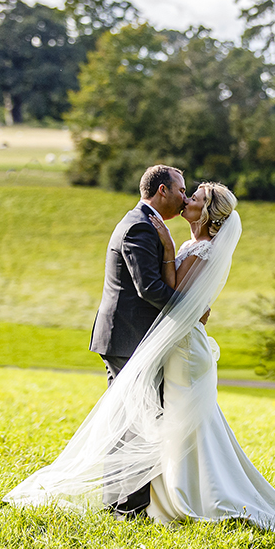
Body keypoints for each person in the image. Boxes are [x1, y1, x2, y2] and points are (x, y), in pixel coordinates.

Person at [5, 181, 275, 539]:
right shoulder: (187, 245)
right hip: (177, 345)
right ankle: (160, 496)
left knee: (180, 424)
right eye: (185, 193)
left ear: (206, 213)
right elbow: (186, 300)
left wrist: (166, 248)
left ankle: (194, 496)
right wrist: (168, 251)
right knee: (173, 423)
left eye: (193, 198)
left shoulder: (200, 249)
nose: (186, 200)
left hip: (184, 350)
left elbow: (178, 297)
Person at [86, 164, 186, 517]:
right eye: (181, 190)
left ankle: (122, 504)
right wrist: (193, 308)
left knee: (129, 421)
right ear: (162, 191)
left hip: (130, 338)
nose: (184, 198)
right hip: (128, 339)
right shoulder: (140, 227)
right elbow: (150, 289)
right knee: (136, 421)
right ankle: (127, 506)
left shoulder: (144, 223)